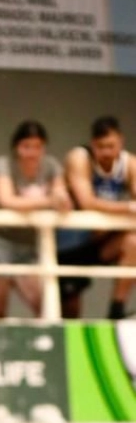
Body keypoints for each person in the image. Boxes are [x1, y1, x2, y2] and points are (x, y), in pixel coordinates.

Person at [0, 120, 71, 319]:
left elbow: (62, 199)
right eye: (26, 146)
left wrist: (60, 199)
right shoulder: (3, 164)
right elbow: (6, 200)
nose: (32, 153)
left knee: (44, 305)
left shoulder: (51, 166)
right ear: (16, 147)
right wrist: (48, 201)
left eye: (37, 147)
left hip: (28, 247)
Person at [60, 116, 136, 319]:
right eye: (101, 147)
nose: (107, 152)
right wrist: (129, 207)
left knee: (134, 241)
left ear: (121, 141)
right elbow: (87, 202)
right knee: (69, 311)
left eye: (111, 146)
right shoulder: (79, 158)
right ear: (93, 144)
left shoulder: (129, 163)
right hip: (71, 246)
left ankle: (116, 310)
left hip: (101, 244)